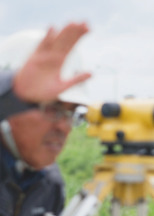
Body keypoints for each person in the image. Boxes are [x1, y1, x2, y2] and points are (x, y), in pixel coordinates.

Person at [0, 23, 91, 216]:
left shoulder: (50, 182)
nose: (62, 126)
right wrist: (11, 92)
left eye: (71, 114)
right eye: (52, 109)